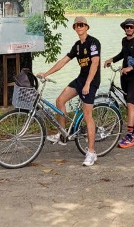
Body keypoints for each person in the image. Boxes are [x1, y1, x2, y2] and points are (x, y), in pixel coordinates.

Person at [37, 16, 101, 167]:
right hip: (80, 79)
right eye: (76, 26)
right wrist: (46, 73)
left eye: (81, 25)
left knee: (87, 115)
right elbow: (64, 61)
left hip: (90, 82)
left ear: (87, 27)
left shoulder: (93, 43)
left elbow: (95, 63)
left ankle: (91, 152)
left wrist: (87, 84)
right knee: (60, 100)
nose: (78, 27)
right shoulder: (77, 46)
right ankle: (62, 134)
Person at [104, 18, 134, 149]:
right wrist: (111, 60)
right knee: (128, 103)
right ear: (124, 29)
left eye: (131, 27)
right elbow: (122, 54)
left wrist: (131, 68)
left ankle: (129, 136)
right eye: (126, 27)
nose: (129, 29)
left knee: (130, 103)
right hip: (124, 76)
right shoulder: (124, 41)